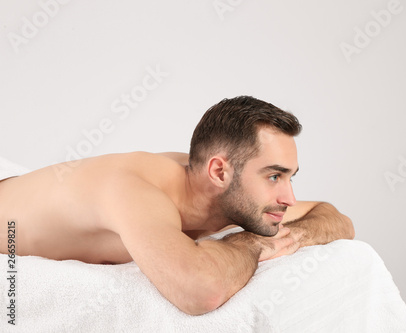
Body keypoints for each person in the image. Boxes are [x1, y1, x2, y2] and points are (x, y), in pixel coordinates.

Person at [0, 96, 354, 315]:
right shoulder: (133, 191)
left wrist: (292, 234)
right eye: (274, 176)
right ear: (219, 171)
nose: (289, 199)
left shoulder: (223, 190)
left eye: (290, 177)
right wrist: (252, 242)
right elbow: (201, 291)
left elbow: (336, 218)